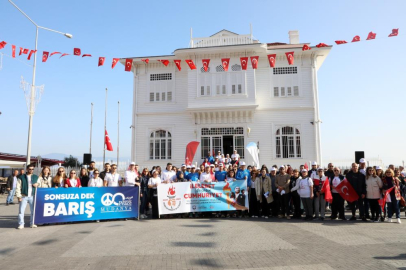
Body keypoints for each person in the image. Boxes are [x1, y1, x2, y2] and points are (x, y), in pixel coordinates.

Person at [16, 164, 38, 229]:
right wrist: (19, 196)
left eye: (32, 169)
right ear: (27, 169)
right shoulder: (21, 177)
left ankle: (32, 223)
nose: (31, 170)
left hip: (32, 196)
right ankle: (21, 224)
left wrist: (37, 184)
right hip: (24, 196)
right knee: (21, 211)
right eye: (30, 169)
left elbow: (39, 183)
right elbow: (18, 187)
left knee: (33, 211)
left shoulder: (36, 177)